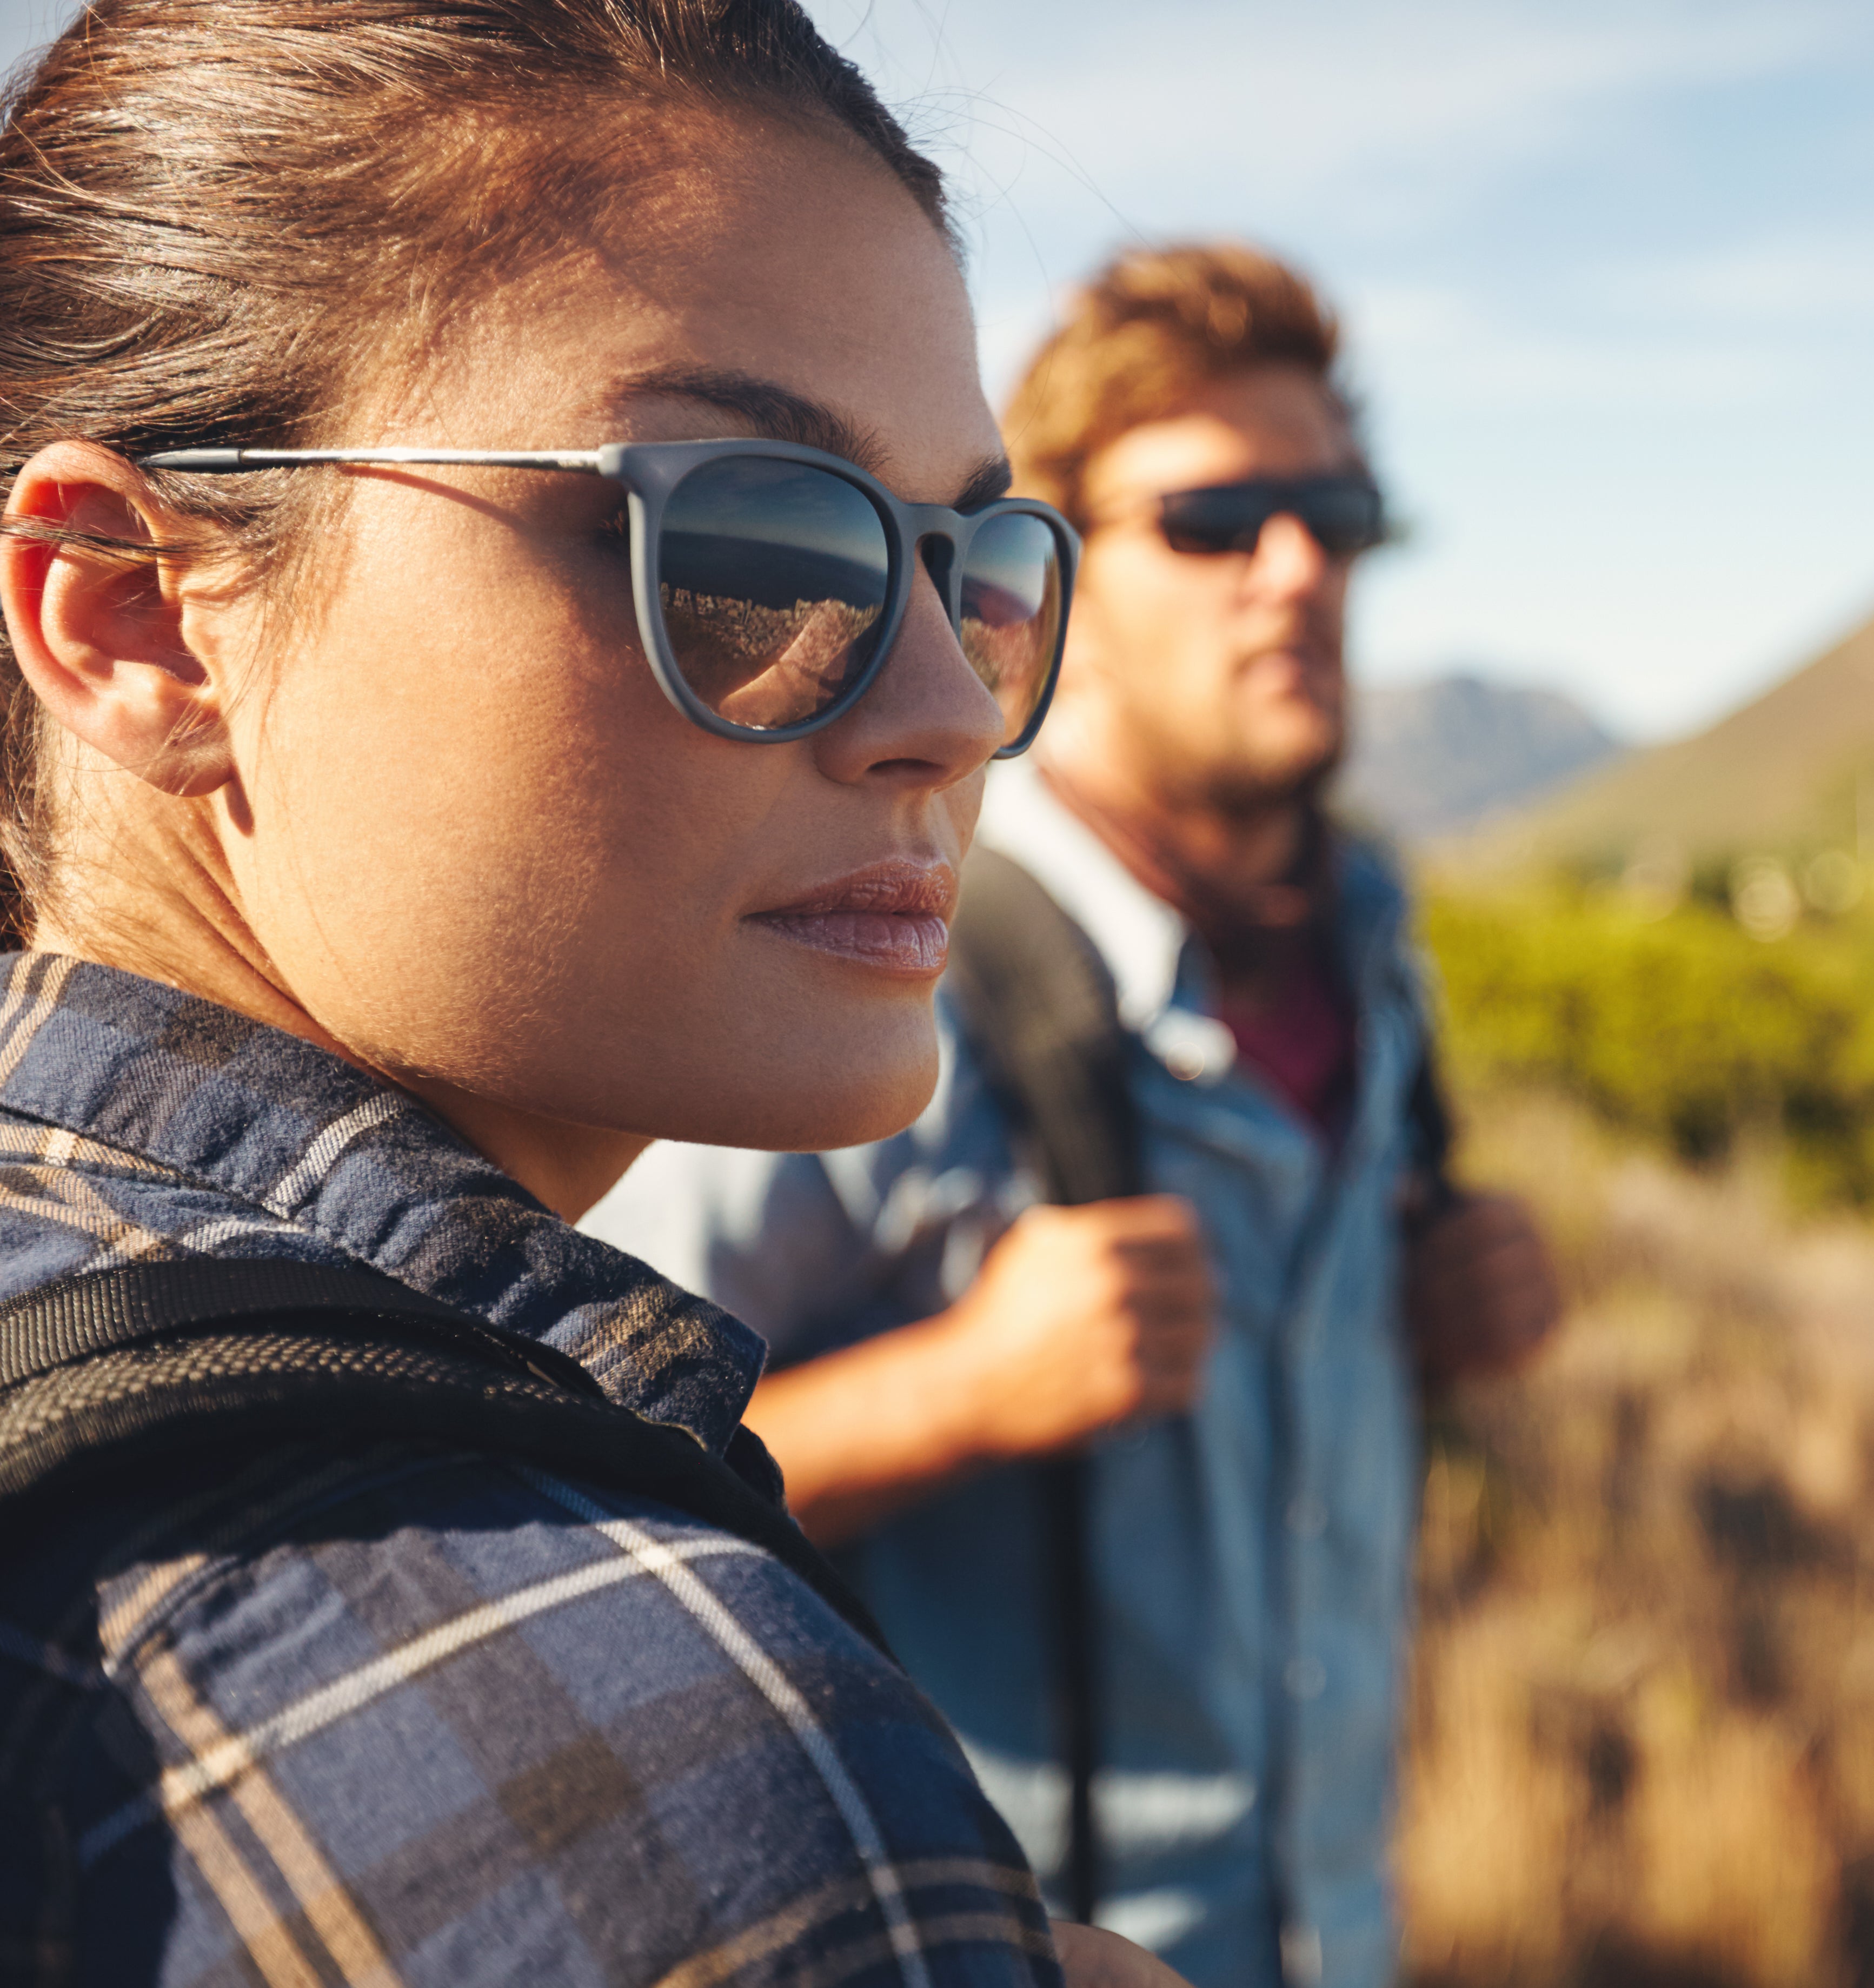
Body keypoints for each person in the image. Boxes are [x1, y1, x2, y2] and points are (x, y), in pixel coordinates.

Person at [0, 3, 1185, 1982]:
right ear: (136, 615)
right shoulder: (700, 1788)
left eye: (967, 558)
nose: (948, 712)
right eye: (739, 536)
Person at [585, 243, 1564, 1988]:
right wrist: (963, 1390)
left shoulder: (1370, 939)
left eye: (1334, 516)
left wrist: (1443, 1306)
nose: (1296, 571)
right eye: (1213, 521)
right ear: (1054, 591)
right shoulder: (892, 963)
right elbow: (572, 1487)